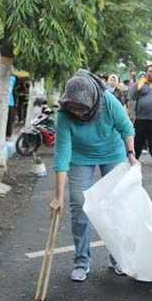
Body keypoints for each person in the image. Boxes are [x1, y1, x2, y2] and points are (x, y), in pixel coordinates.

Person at [50, 69, 137, 282]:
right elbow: (62, 154)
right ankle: (81, 261)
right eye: (73, 108)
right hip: (80, 157)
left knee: (116, 206)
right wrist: (58, 197)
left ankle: (117, 258)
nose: (78, 113)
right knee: (79, 207)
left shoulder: (108, 101)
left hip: (112, 152)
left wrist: (131, 155)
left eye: (81, 108)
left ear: (92, 102)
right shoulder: (63, 115)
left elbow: (126, 127)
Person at [5, 72, 18, 138]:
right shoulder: (2, 78)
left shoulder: (12, 78)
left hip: (10, 102)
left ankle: (8, 134)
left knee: (10, 119)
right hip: (3, 102)